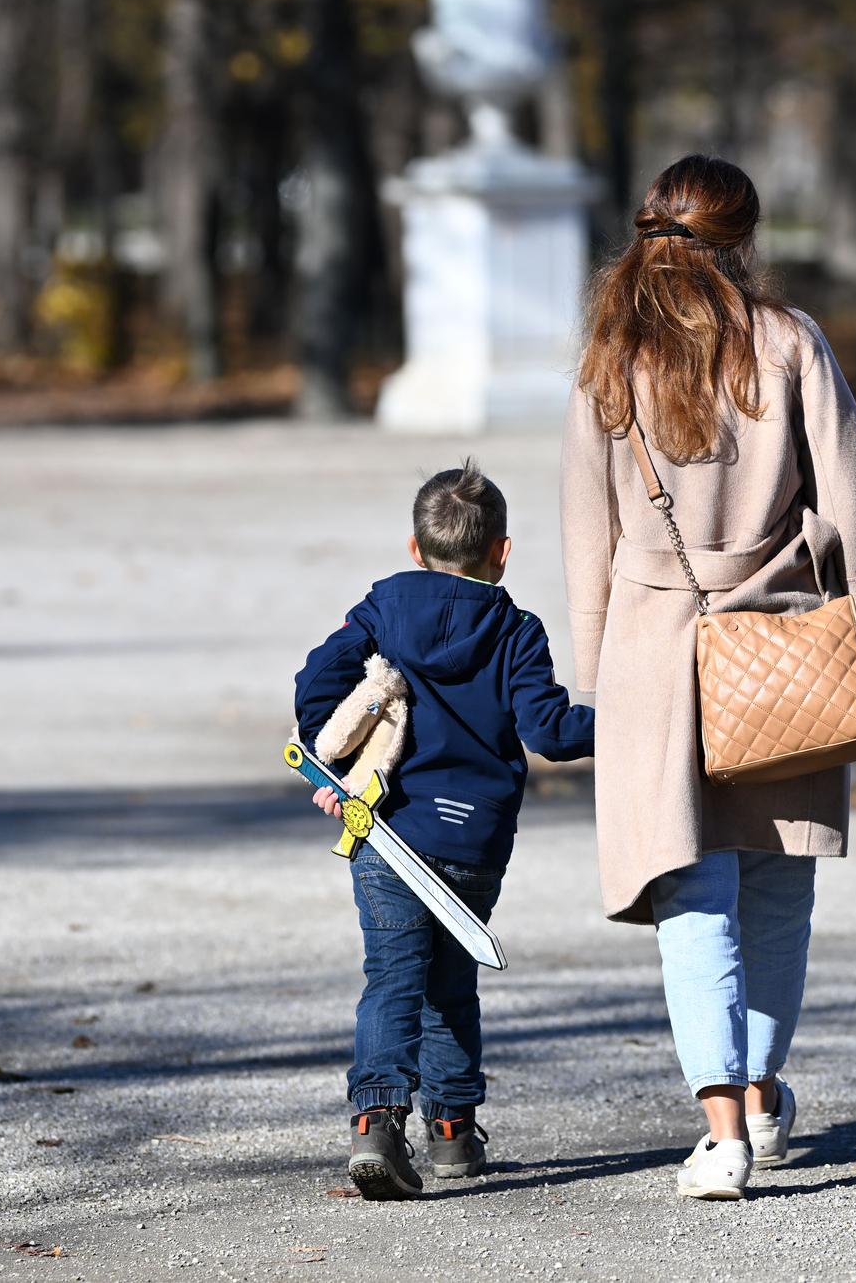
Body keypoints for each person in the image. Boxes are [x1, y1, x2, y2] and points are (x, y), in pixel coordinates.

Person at [561, 154, 856, 1201]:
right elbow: (854, 489)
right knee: (777, 878)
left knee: (691, 890)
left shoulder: (613, 358)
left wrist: (595, 666)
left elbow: (586, 525)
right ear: (740, 239)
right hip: (781, 643)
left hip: (655, 650)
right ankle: (760, 1091)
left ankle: (723, 1129)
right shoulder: (789, 342)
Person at [295, 460, 595, 1199]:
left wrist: (332, 770)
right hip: (472, 842)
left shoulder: (383, 608)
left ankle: (376, 1121)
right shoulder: (517, 630)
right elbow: (550, 731)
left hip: (387, 827)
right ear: (502, 551)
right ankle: (454, 1132)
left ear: (413, 545)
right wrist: (632, 716)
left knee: (393, 978)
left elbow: (316, 685)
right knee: (451, 982)